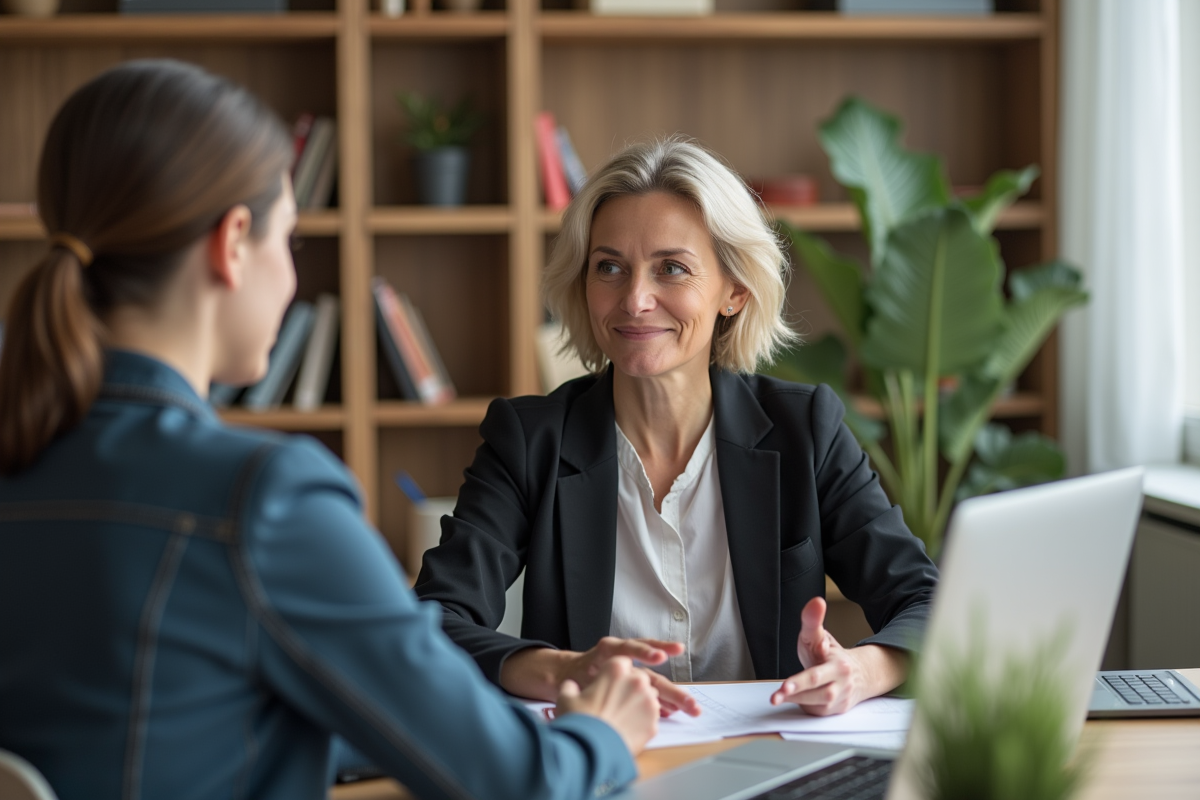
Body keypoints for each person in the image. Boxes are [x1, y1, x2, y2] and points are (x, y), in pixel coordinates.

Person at [0, 60, 659, 800]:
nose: (290, 275)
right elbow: (519, 784)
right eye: (292, 241)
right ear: (233, 242)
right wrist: (604, 729)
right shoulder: (264, 499)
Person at [414, 138, 939, 719]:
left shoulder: (804, 430)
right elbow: (436, 619)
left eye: (672, 269)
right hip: (603, 762)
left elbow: (927, 599)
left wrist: (861, 670)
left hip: (769, 762)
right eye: (609, 267)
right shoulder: (530, 441)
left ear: (734, 292)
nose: (635, 300)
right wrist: (560, 669)